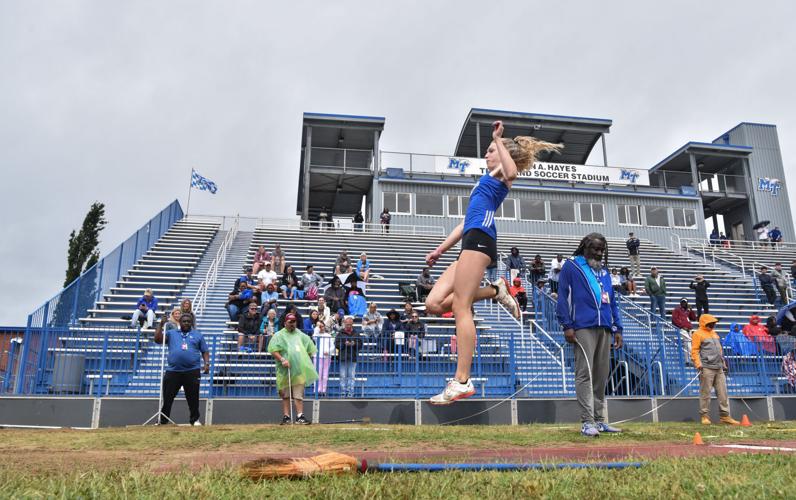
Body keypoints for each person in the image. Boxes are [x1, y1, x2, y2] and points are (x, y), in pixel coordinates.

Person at [424, 121, 561, 405]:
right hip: (469, 239)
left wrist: (498, 139)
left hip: (482, 240)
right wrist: (439, 250)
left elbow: (511, 170)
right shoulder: (484, 182)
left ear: (502, 152)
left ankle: (461, 381)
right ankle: (495, 291)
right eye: (487, 150)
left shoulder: (503, 175)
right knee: (434, 304)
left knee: (461, 305)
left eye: (490, 151)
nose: (486, 155)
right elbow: (464, 223)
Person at [556, 233, 623, 437]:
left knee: (601, 375)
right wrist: (567, 325)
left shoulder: (603, 272)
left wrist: (618, 328)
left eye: (602, 249)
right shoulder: (572, 266)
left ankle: (600, 420)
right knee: (585, 373)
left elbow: (612, 301)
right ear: (585, 247)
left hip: (604, 327)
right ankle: (587, 422)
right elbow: (562, 297)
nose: (599, 253)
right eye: (595, 248)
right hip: (582, 326)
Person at [154, 313, 209, 426]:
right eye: (184, 321)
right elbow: (158, 340)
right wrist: (160, 325)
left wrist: (206, 363)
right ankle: (163, 420)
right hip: (173, 370)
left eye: (188, 321)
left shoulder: (198, 335)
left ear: (191, 323)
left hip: (192, 370)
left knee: (193, 397)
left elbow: (204, 350)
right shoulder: (172, 333)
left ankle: (194, 420)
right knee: (167, 396)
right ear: (180, 322)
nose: (186, 323)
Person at [268, 313, 318, 424]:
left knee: (298, 395)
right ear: (285, 322)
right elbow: (273, 350)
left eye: (294, 321)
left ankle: (300, 416)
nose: (292, 324)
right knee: (285, 395)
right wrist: (282, 360)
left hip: (298, 371)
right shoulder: (279, 335)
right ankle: (286, 416)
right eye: (290, 322)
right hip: (284, 370)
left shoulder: (300, 335)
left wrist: (304, 360)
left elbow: (310, 348)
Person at [690, 314, 740, 425]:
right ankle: (704, 416)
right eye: (711, 323)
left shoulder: (714, 334)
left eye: (714, 323)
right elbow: (694, 351)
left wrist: (723, 363)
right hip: (706, 368)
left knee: (723, 393)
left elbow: (720, 351)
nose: (713, 325)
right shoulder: (697, 334)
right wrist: (698, 364)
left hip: (719, 368)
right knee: (705, 393)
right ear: (704, 323)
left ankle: (725, 416)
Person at [334, 316, 363, 398]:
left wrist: (354, 344)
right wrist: (344, 344)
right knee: (343, 375)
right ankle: (343, 391)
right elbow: (336, 344)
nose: (348, 326)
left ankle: (350, 391)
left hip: (353, 357)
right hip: (343, 357)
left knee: (351, 375)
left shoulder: (356, 333)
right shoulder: (340, 333)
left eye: (350, 324)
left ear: (352, 324)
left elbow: (360, 344)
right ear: (344, 324)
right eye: (347, 324)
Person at [313, 321, 334, 396]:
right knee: (318, 374)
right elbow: (315, 337)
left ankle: (323, 390)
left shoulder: (328, 335)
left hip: (326, 357)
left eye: (322, 326)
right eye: (320, 326)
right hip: (317, 357)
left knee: (325, 375)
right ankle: (317, 390)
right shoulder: (316, 335)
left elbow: (332, 346)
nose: (321, 328)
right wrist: (317, 327)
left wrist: (328, 351)